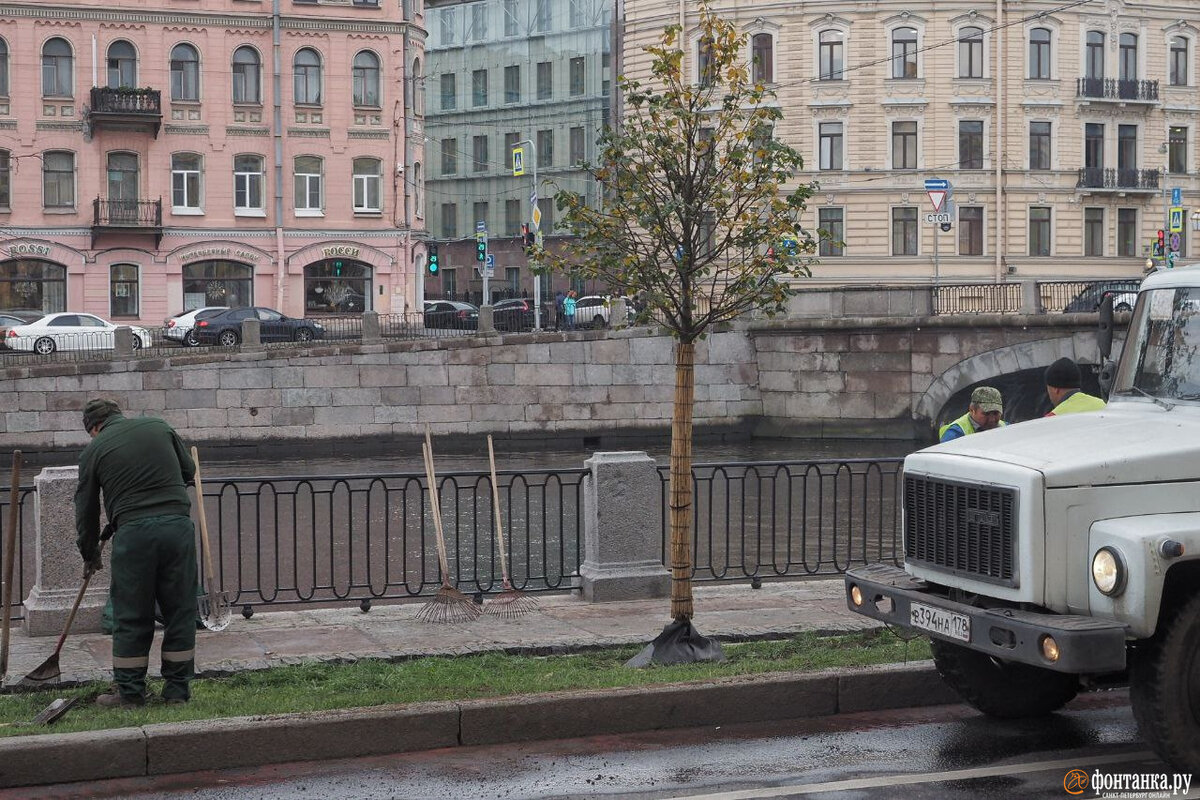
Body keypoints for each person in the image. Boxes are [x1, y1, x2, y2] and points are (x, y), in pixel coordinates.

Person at [75, 399, 198, 707]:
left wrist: (90, 553)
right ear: (118, 415)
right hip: (177, 528)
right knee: (180, 610)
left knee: (132, 614)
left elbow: (86, 510)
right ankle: (177, 692)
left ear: (94, 427)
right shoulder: (158, 426)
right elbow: (188, 470)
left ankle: (130, 693)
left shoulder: (94, 450)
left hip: (135, 536)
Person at [939, 386, 1006, 442]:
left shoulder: (1006, 426)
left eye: (996, 413)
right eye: (986, 414)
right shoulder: (954, 434)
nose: (992, 419)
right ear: (972, 410)